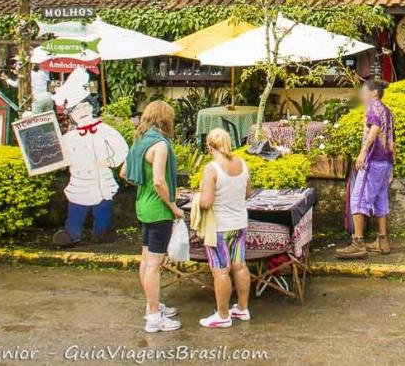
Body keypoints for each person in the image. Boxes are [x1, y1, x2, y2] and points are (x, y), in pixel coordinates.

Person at [123, 100, 184, 333]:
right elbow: (159, 181)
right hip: (159, 211)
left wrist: (143, 186)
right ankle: (154, 318)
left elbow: (124, 172)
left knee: (147, 259)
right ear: (166, 119)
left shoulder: (140, 141)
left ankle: (153, 306)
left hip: (143, 206)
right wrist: (173, 206)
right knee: (154, 265)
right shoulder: (160, 145)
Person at [51, 68, 129, 247]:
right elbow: (58, 155)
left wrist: (109, 161)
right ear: (71, 114)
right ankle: (72, 234)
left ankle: (101, 232)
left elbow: (122, 149)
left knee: (103, 209)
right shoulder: (69, 137)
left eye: (85, 106)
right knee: (76, 210)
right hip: (79, 181)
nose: (82, 111)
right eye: (77, 109)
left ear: (92, 106)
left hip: (101, 180)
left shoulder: (105, 130)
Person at [197, 128, 253, 329]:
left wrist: (197, 198)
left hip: (219, 228)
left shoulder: (211, 169)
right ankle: (242, 308)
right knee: (240, 265)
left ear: (210, 147)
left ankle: (222, 315)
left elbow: (206, 202)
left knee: (221, 271)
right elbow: (248, 192)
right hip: (240, 223)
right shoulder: (242, 163)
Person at [336, 78, 395, 259]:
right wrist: (392, 166)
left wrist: (362, 152)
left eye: (364, 91)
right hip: (384, 162)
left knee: (358, 199)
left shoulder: (373, 107)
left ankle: (358, 242)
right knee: (380, 200)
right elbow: (392, 141)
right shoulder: (387, 110)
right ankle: (382, 241)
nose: (362, 95)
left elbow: (375, 129)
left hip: (373, 161)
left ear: (374, 93)